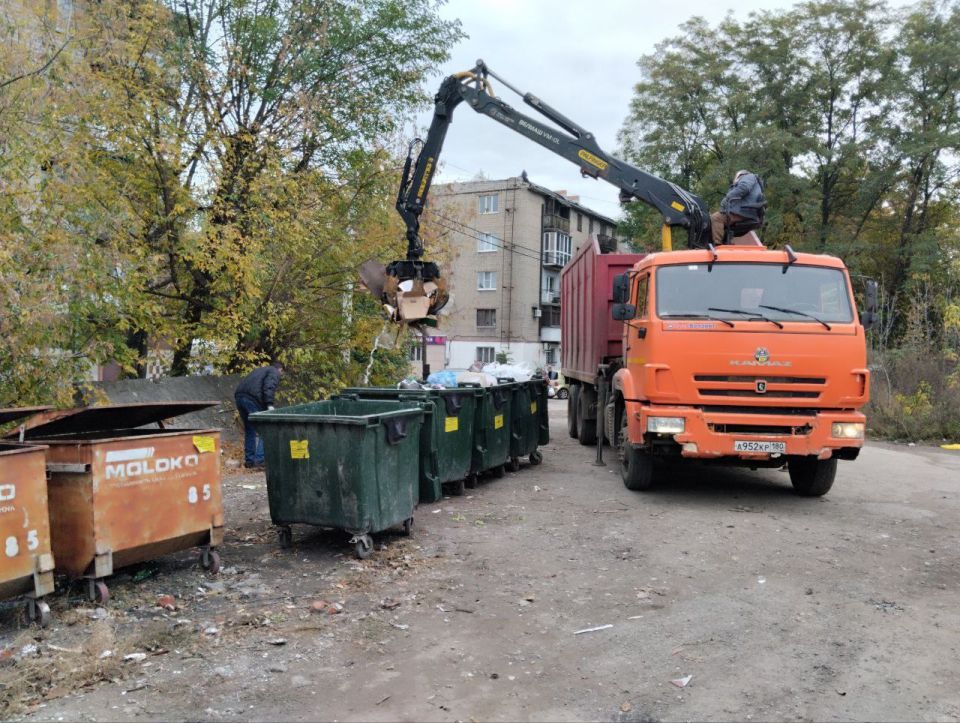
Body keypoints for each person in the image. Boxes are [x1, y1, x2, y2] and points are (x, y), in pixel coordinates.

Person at [234, 360, 284, 469]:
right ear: (280, 369)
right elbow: (269, 386)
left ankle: (250, 461)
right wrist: (269, 404)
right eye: (281, 372)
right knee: (264, 430)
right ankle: (260, 460)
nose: (280, 375)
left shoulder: (259, 370)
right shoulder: (274, 371)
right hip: (252, 400)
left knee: (250, 430)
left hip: (239, 397)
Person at [710, 170, 766, 244]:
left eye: (735, 178)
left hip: (743, 211)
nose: (735, 181)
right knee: (722, 221)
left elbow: (744, 187)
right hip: (747, 211)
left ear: (739, 175)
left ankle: (717, 245)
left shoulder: (748, 176)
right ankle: (725, 242)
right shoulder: (754, 182)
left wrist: (728, 197)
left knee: (716, 218)